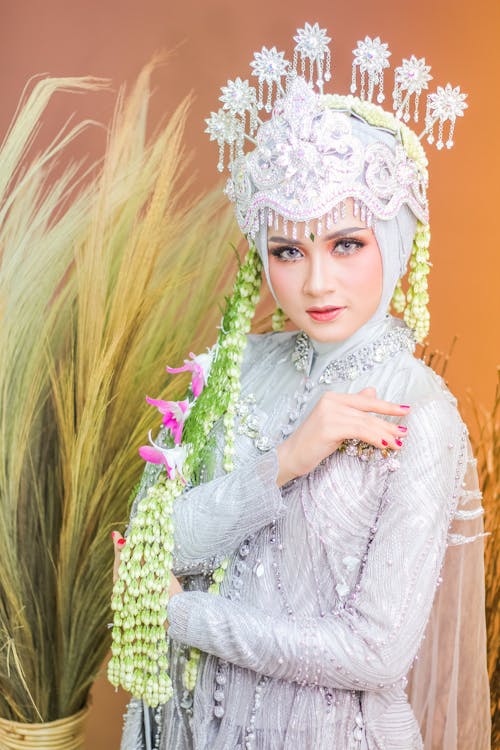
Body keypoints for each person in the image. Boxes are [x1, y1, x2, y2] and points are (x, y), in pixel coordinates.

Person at [111, 23, 491, 749]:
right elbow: (153, 546)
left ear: (396, 237)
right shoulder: (230, 368)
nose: (316, 282)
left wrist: (184, 618)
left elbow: (374, 653)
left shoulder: (419, 414)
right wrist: (286, 461)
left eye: (347, 244)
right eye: (288, 250)